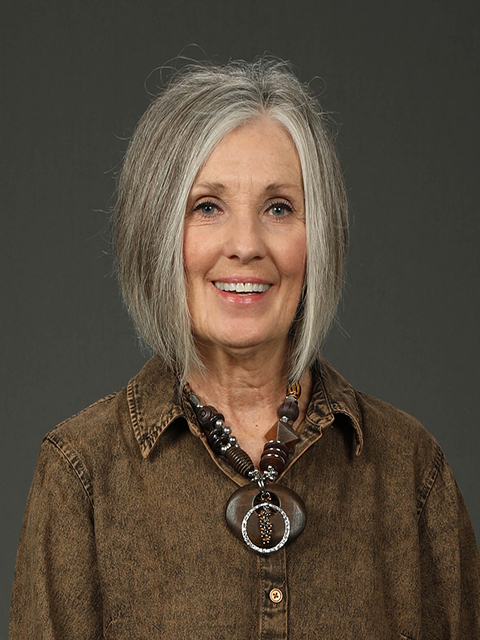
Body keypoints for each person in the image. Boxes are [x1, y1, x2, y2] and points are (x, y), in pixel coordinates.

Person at [9, 57, 480, 639]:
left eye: (278, 208)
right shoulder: (81, 475)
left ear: (318, 236)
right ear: (156, 231)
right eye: (208, 207)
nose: (246, 245)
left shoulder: (410, 470)